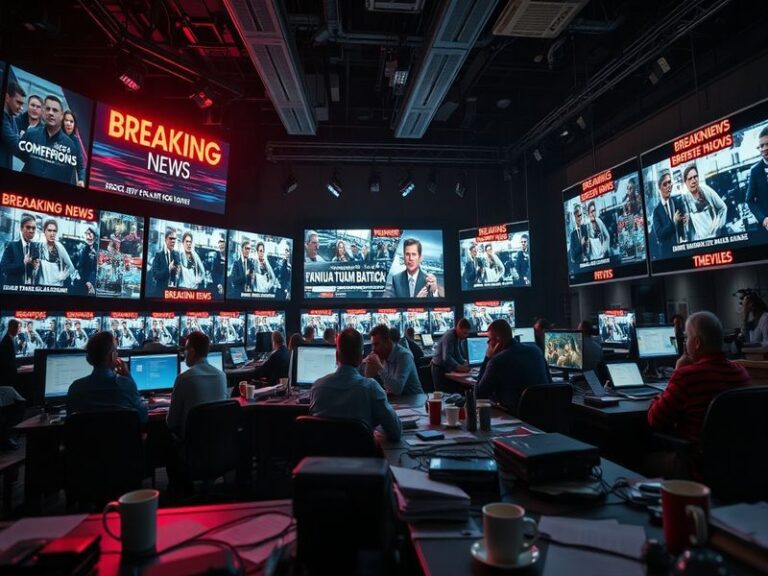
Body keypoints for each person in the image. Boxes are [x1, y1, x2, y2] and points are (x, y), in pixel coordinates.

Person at [647, 311, 750, 478]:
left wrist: (677, 372)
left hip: (695, 466)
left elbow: (655, 418)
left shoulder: (686, 376)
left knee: (642, 459)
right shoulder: (741, 373)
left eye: (686, 338)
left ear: (696, 343)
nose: (685, 342)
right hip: (738, 466)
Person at [310, 328, 401, 441]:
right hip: (362, 452)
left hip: (324, 452)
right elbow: (396, 432)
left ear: (337, 355)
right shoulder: (371, 388)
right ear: (360, 358)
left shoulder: (317, 387)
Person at [66, 332, 148, 422]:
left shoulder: (75, 388)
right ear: (113, 356)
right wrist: (128, 377)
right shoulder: (126, 385)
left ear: (88, 358)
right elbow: (143, 416)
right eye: (116, 351)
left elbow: (70, 419)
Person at [476, 320, 550, 414]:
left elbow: (479, 395)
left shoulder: (497, 360)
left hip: (515, 417)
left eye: (489, 339)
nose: (488, 343)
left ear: (498, 340)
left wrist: (487, 358)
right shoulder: (536, 351)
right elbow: (549, 382)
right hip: (544, 413)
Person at [166, 332, 227, 439]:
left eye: (185, 349)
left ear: (192, 351)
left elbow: (171, 422)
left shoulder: (183, 379)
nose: (184, 354)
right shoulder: (222, 376)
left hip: (192, 442)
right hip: (218, 441)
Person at [19, 95, 85, 186]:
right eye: (48, 109)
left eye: (55, 110)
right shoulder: (31, 133)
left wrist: (81, 179)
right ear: (43, 112)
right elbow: (19, 153)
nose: (50, 113)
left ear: (61, 116)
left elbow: (80, 165)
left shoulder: (71, 145)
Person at [364, 324, 422, 396]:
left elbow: (397, 389)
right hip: (398, 400)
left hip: (415, 400)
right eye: (372, 345)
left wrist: (379, 367)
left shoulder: (404, 356)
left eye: (376, 344)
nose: (373, 349)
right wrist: (368, 370)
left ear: (388, 343)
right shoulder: (384, 355)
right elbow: (368, 382)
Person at [680, 164, 726, 241]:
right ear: (685, 182)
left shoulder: (707, 191)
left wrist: (718, 226)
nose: (693, 181)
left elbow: (723, 208)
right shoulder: (686, 199)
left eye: (695, 177)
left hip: (715, 239)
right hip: (700, 242)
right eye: (690, 179)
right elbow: (688, 225)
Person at [652, 171, 689, 255]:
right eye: (665, 184)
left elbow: (683, 223)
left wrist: (686, 218)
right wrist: (673, 222)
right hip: (668, 255)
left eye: (669, 182)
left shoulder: (677, 202)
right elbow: (659, 235)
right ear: (659, 188)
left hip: (681, 251)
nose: (669, 186)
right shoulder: (656, 211)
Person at [430, 318, 471, 392]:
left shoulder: (457, 336)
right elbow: (446, 357)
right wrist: (458, 367)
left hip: (446, 367)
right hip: (439, 368)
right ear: (458, 328)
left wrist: (463, 362)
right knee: (442, 394)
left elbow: (457, 353)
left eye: (467, 333)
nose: (466, 336)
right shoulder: (449, 336)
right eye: (464, 333)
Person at [1, 213, 41, 286]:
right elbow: (4, 268)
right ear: (21, 228)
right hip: (13, 289)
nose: (31, 230)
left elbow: (35, 273)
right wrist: (23, 264)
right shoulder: (11, 246)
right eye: (28, 227)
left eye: (33, 228)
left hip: (29, 289)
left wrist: (36, 268)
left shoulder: (35, 247)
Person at [38, 218, 76, 286]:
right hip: (42, 286)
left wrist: (63, 276)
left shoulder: (59, 247)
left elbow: (71, 267)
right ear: (44, 231)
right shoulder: (39, 246)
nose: (52, 233)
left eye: (54, 231)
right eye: (49, 230)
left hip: (56, 286)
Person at [747, 126, 768, 231]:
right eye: (761, 146)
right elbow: (749, 200)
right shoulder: (755, 171)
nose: (764, 149)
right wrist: (763, 219)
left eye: (767, 144)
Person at [1, 81, 25, 170]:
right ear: (7, 97)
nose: (21, 108)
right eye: (18, 102)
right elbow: (16, 145)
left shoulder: (12, 118)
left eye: (22, 104)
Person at [62, 109, 87, 187]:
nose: (68, 123)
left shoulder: (76, 141)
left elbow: (81, 166)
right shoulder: (55, 136)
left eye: (71, 121)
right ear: (62, 122)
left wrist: (81, 179)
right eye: (66, 120)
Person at [151, 229, 181, 295]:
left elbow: (179, 274)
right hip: (160, 293)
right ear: (165, 239)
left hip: (173, 293)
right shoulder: (158, 255)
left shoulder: (177, 255)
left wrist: (178, 272)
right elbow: (155, 275)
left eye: (174, 239)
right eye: (171, 238)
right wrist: (168, 269)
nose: (173, 241)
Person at [74, 225, 98, 295]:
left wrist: (91, 282)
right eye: (86, 234)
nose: (89, 236)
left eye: (90, 234)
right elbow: (79, 267)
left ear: (95, 237)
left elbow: (95, 269)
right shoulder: (83, 249)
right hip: (83, 281)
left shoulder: (97, 249)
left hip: (93, 282)